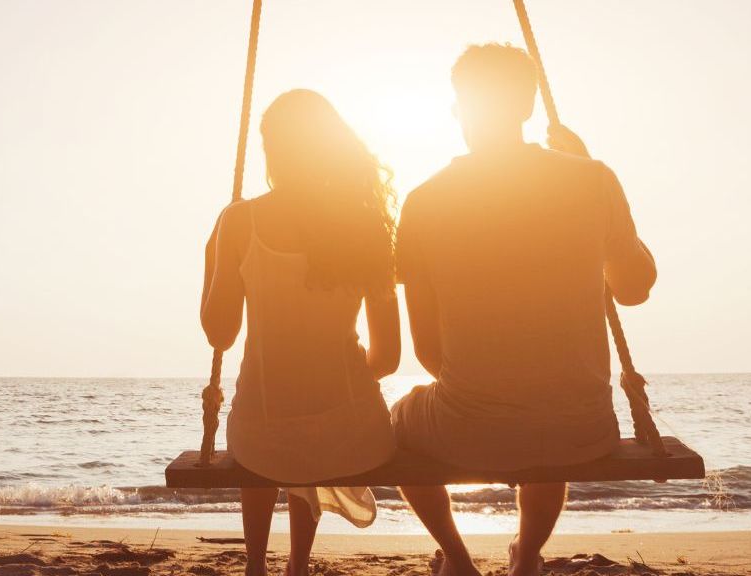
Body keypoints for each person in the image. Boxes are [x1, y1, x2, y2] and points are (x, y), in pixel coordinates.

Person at [389, 44, 658, 576]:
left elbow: (427, 352)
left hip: (471, 426)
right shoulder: (593, 178)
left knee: (398, 421)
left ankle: (457, 555)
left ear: (460, 108)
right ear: (529, 105)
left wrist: (491, 389)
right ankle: (527, 554)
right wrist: (584, 165)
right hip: (583, 427)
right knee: (547, 408)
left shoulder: (424, 201)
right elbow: (634, 289)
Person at [200, 89, 402, 576]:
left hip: (261, 434)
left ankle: (255, 564)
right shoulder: (367, 226)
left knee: (271, 425)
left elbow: (219, 334)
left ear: (271, 149)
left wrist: (217, 252)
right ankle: (298, 564)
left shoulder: (239, 221)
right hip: (354, 434)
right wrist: (341, 381)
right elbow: (389, 359)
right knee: (310, 419)